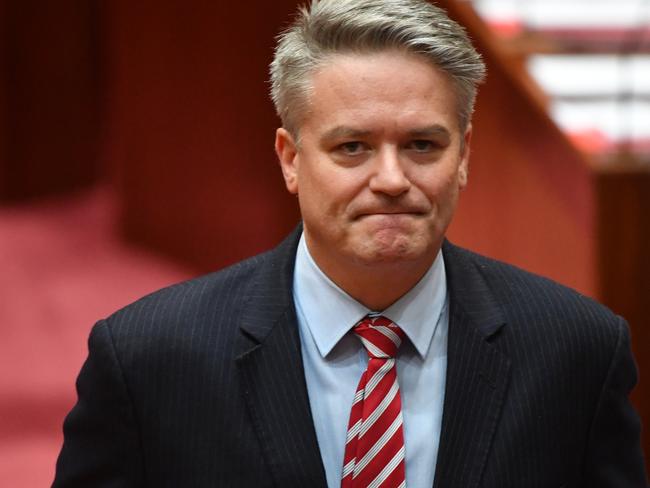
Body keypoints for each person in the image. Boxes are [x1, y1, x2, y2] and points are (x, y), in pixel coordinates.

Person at [53, 0, 647, 486]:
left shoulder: (576, 352)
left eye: (422, 145)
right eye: (352, 148)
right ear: (290, 159)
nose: (391, 180)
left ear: (464, 157)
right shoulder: (149, 360)